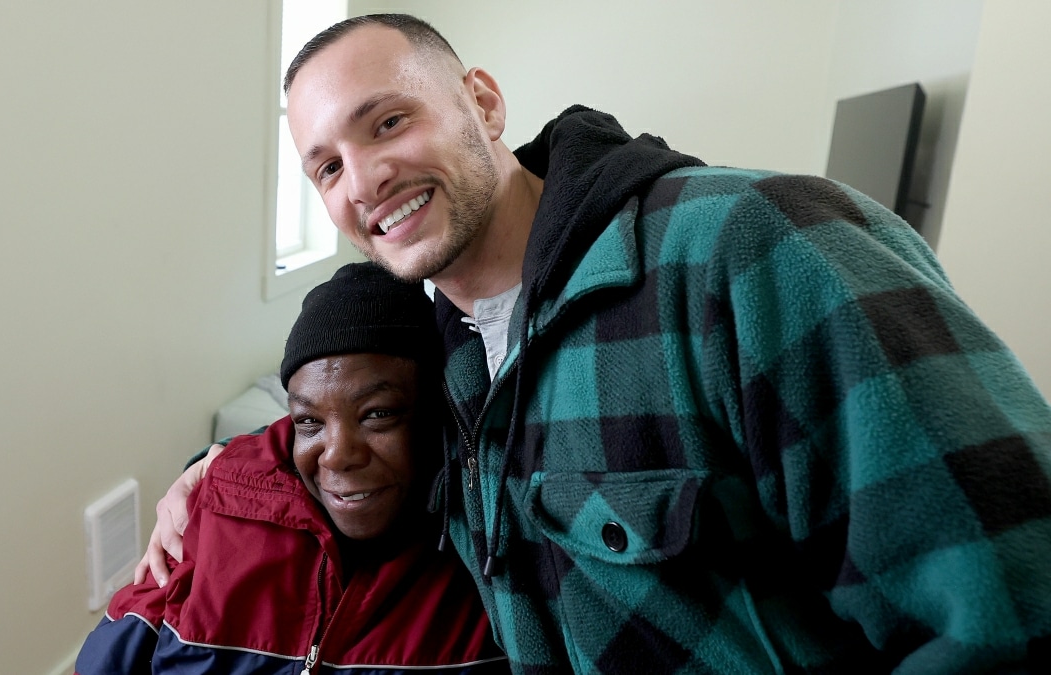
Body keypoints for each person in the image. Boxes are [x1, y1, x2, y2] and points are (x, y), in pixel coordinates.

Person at [142, 13, 1051, 673]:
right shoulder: (442, 347)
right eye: (326, 166)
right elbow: (330, 400)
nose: (364, 178)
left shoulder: (756, 246)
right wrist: (212, 470)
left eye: (388, 121)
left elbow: (1010, 604)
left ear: (484, 104)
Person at [78, 262, 507, 675]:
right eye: (310, 421)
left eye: (377, 414)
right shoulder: (221, 507)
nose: (337, 455)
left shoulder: (491, 555)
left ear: (437, 415)